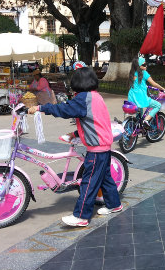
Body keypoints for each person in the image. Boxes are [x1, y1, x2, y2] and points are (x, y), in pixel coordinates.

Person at [28, 67, 123, 226]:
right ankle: (115, 205)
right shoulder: (96, 96)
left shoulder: (83, 98)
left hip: (96, 150)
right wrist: (76, 133)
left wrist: (41, 108)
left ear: (77, 83)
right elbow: (95, 122)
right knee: (105, 179)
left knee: (89, 183)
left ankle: (81, 217)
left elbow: (64, 109)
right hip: (104, 146)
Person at [127, 56, 165, 129]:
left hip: (131, 96)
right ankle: (146, 120)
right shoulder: (144, 73)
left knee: (139, 111)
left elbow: (137, 85)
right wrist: (162, 88)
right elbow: (153, 84)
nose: (146, 66)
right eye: (144, 65)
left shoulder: (132, 72)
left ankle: (137, 128)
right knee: (158, 105)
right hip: (140, 97)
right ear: (139, 66)